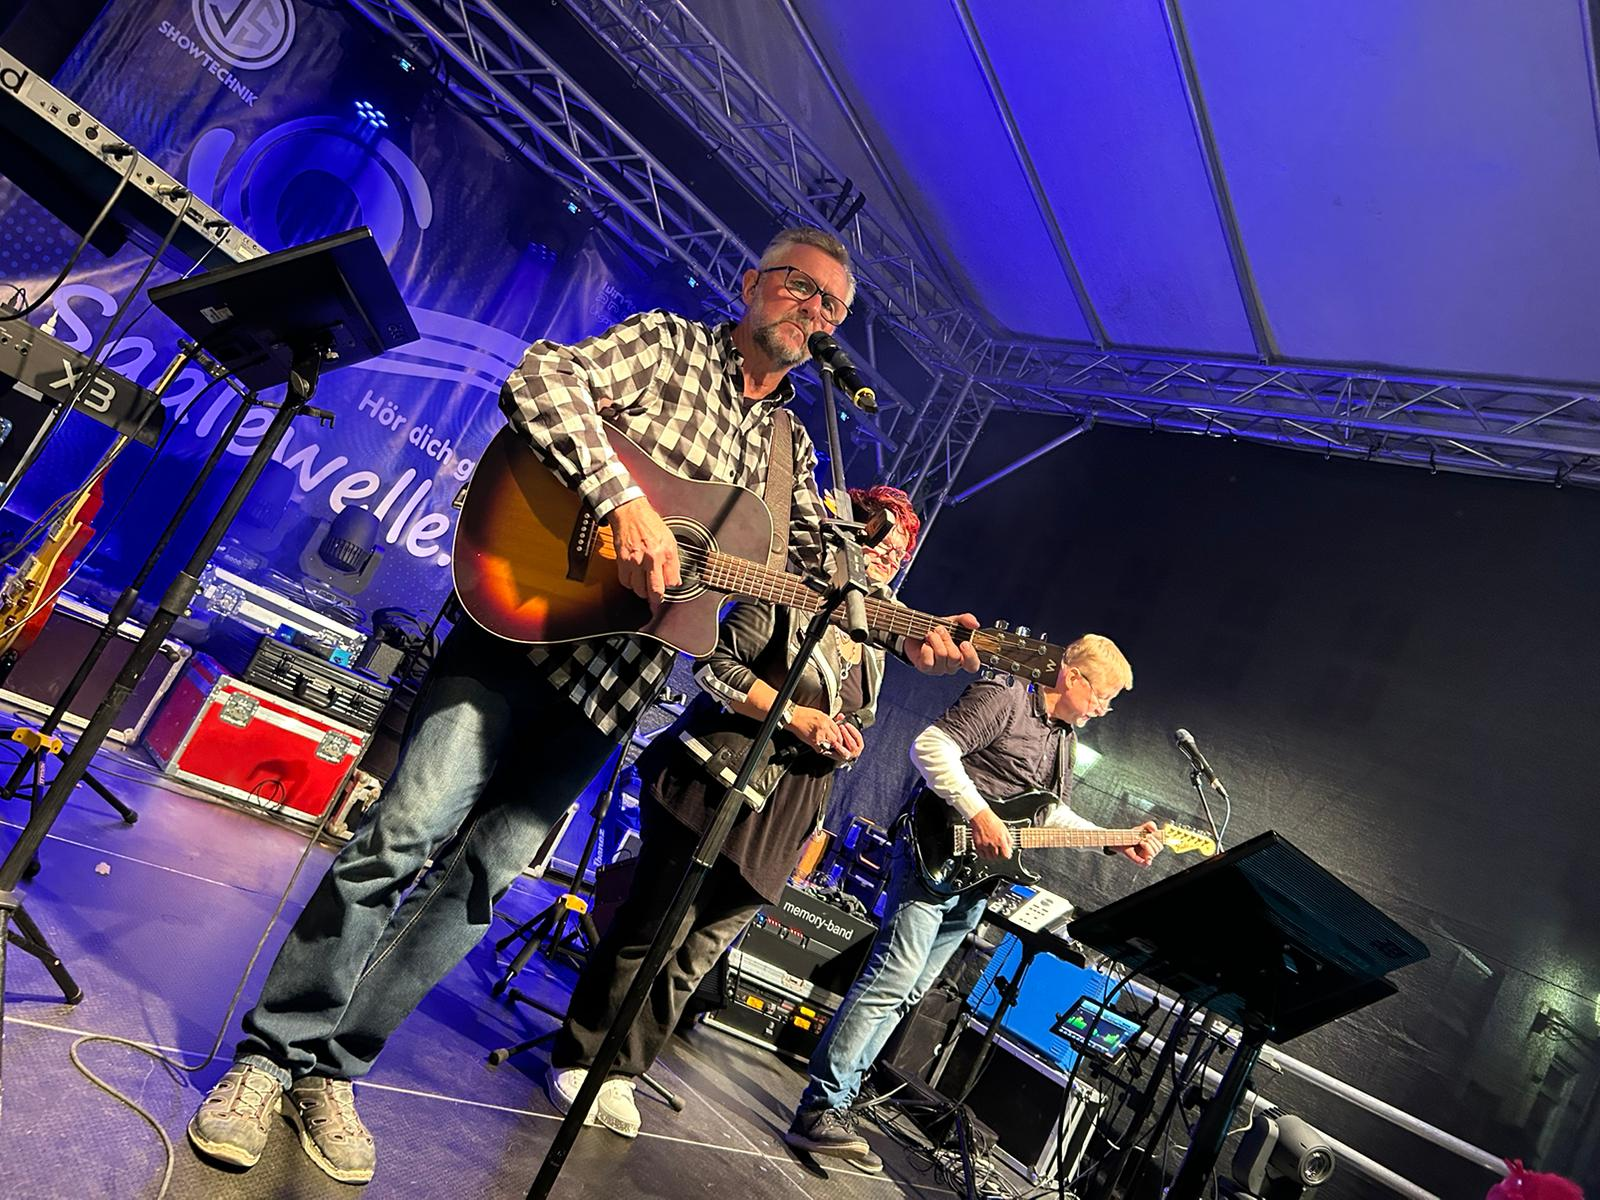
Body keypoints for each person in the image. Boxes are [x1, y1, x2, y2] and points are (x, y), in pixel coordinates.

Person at [185, 227, 980, 1185]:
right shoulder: (670, 346)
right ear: (751, 285)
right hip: (517, 628)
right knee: (403, 834)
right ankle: (271, 1058)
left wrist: (902, 628)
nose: (814, 311)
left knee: (483, 880)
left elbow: (812, 566)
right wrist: (622, 504)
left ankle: (335, 1070)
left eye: (833, 307)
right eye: (799, 287)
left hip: (611, 691)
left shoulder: (794, 448)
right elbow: (540, 378)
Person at [547, 485, 919, 1138]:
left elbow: (856, 716)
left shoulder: (872, 644)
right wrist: (795, 716)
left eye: (901, 551)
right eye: (882, 540)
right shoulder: (791, 590)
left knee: (695, 957)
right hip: (714, 783)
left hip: (784, 814)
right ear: (848, 535)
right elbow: (714, 666)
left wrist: (846, 738)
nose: (889, 557)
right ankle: (580, 1056)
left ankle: (624, 1071)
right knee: (652, 931)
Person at [784, 634, 1163, 1169]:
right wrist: (979, 814)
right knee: (891, 980)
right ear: (1072, 676)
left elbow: (1046, 816)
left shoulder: (1063, 741)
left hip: (975, 881)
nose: (1103, 709)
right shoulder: (1006, 695)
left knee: (910, 990)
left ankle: (842, 1102)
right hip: (933, 850)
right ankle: (819, 1109)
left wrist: (1112, 838)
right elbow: (930, 747)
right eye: (1102, 696)